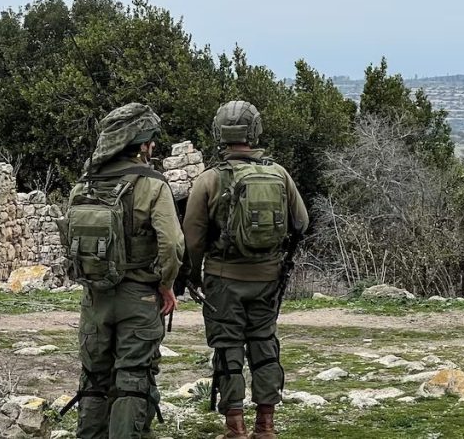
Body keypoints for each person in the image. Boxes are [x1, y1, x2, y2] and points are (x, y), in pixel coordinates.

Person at [182, 100, 309, 439]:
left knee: (228, 349)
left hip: (223, 279)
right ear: (254, 132)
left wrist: (192, 277)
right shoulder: (278, 174)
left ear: (218, 134)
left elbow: (192, 240)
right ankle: (266, 426)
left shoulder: (208, 180)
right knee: (264, 346)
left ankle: (235, 426)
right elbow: (302, 221)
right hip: (268, 278)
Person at [59, 103, 184, 439]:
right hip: (139, 297)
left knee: (94, 377)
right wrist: (167, 285)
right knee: (132, 378)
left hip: (95, 299)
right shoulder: (153, 185)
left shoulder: (84, 185)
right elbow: (172, 244)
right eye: (151, 141)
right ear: (142, 145)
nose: (153, 146)